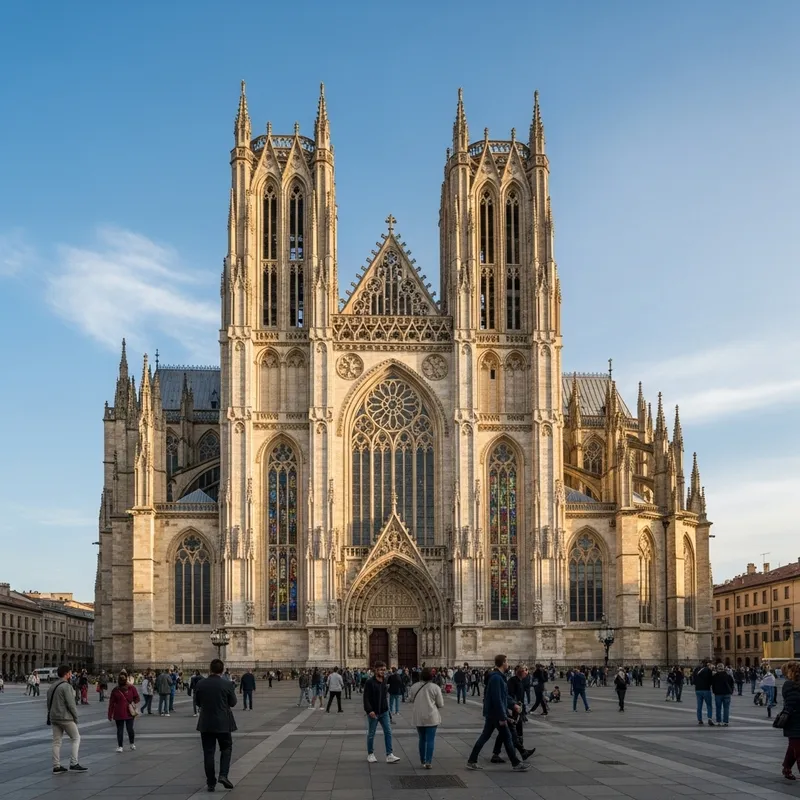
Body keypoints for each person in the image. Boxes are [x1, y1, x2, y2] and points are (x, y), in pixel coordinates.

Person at [466, 654, 531, 772]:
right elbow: (497, 699)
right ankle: (515, 763)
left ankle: (471, 760)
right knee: (507, 737)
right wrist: (503, 716)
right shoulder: (496, 678)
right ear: (503, 663)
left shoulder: (498, 677)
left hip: (493, 713)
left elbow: (504, 696)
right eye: (507, 661)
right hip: (496, 714)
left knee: (485, 736)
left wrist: (513, 705)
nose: (508, 663)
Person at [194, 658, 237, 792]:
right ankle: (223, 775)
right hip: (223, 723)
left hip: (206, 723)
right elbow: (233, 702)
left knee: (208, 753)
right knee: (226, 749)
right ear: (222, 670)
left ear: (210, 669)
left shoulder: (201, 684)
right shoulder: (227, 684)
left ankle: (211, 782)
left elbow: (197, 702)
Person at [47, 665, 88, 773]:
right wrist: (75, 717)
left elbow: (48, 702)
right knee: (76, 738)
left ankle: (56, 766)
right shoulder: (66, 686)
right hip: (65, 717)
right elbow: (71, 704)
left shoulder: (52, 686)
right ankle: (74, 763)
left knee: (56, 742)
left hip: (54, 717)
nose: (71, 674)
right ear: (66, 674)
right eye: (70, 673)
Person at [363, 661, 400, 764]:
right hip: (373, 712)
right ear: (375, 670)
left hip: (383, 711)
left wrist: (388, 711)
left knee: (388, 732)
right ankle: (370, 754)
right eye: (380, 669)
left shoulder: (384, 681)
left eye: (384, 670)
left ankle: (389, 754)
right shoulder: (369, 682)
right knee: (371, 734)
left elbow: (384, 698)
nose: (383, 672)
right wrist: (369, 710)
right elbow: (366, 698)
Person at [408, 666, 444, 768]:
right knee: (430, 739)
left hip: (418, 716)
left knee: (422, 739)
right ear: (431, 676)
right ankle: (428, 762)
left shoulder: (414, 686)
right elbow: (441, 704)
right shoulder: (435, 687)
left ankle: (422, 760)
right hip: (431, 716)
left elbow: (410, 699)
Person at [108, 671, 140, 752]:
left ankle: (121, 746)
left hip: (122, 712)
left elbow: (111, 703)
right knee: (127, 729)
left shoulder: (116, 690)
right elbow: (137, 698)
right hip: (126, 712)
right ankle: (130, 744)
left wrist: (110, 714)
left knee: (125, 729)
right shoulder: (131, 688)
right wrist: (133, 702)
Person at [779, 660, 800, 781]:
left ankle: (786, 767)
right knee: (797, 747)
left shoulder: (790, 684)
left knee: (794, 747)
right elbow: (791, 703)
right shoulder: (789, 685)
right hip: (794, 721)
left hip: (795, 721)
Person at [693, 660, 715, 726]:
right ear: (707, 664)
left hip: (698, 690)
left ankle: (700, 720)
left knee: (699, 706)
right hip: (706, 689)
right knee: (709, 705)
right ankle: (709, 719)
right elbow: (711, 681)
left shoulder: (696, 670)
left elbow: (693, 680)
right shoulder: (708, 670)